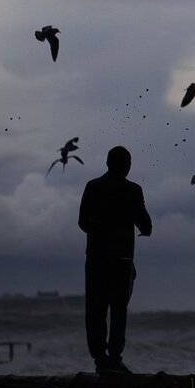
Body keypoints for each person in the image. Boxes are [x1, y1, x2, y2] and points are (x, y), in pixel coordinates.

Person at [78, 145, 152, 374]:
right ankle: (115, 359)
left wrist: (99, 229)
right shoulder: (133, 190)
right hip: (122, 260)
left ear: (108, 163)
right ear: (127, 166)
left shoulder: (93, 187)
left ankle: (100, 360)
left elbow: (82, 223)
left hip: (96, 260)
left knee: (95, 311)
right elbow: (146, 226)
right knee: (119, 311)